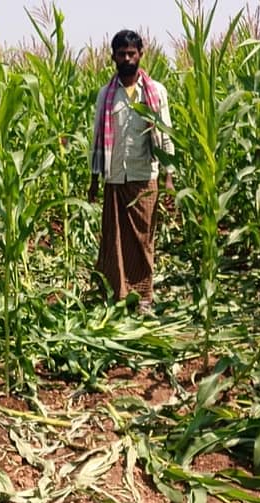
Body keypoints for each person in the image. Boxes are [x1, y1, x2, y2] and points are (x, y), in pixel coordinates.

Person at [88, 29, 174, 313]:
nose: (127, 58)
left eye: (131, 53)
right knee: (114, 240)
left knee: (142, 240)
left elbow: (165, 135)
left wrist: (168, 176)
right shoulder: (106, 95)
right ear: (113, 56)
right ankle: (119, 294)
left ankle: (144, 297)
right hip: (114, 176)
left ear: (140, 54)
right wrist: (93, 180)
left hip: (143, 176)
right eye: (121, 54)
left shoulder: (155, 92)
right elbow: (97, 138)